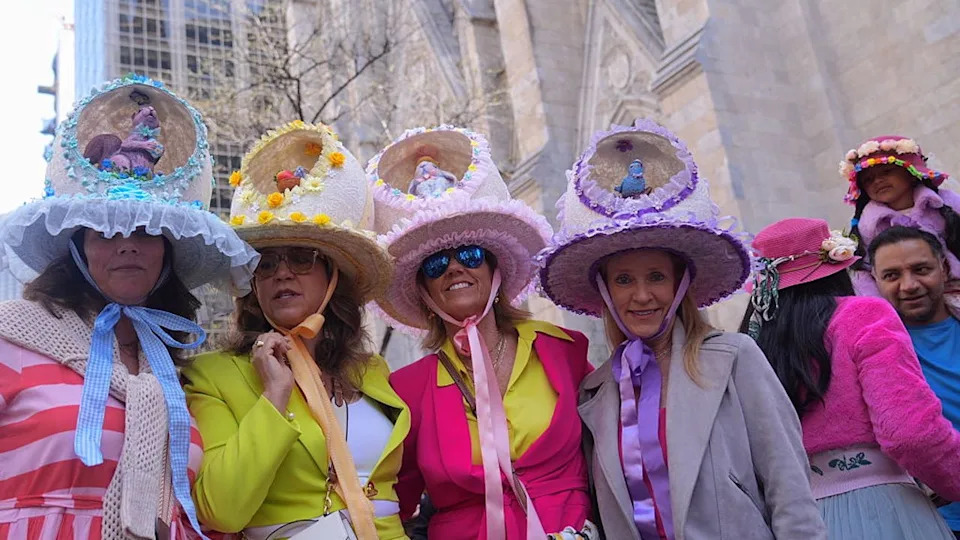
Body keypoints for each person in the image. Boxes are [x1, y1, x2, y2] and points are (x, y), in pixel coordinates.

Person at [538, 119, 825, 540]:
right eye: (623, 280)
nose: (641, 296)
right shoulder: (596, 392)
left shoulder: (734, 358)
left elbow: (789, 488)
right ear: (604, 291)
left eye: (656, 276)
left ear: (679, 284)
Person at [0, 74, 259, 538]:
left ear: (166, 252)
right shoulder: (10, 337)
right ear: (77, 248)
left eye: (144, 231)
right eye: (106, 231)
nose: (128, 245)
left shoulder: (172, 373)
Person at [181, 121, 408, 540]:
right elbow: (221, 511)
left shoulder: (372, 369)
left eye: (302, 258)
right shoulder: (209, 375)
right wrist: (273, 395)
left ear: (332, 276)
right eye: (266, 264)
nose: (282, 273)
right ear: (252, 286)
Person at [367, 126, 594, 539]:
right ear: (423, 289)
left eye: (470, 256)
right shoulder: (407, 389)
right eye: (436, 265)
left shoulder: (562, 351)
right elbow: (391, 504)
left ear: (494, 269)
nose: (455, 268)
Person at [744, 217, 960, 538]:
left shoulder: (750, 344)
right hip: (883, 511)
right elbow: (911, 435)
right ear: (837, 264)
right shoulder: (864, 316)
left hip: (791, 521)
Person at [869, 225, 960, 537]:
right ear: (875, 281)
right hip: (937, 520)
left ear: (944, 268)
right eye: (892, 276)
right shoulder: (870, 350)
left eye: (921, 270)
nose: (908, 285)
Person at [838, 135, 960, 313]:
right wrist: (884, 310)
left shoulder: (946, 201)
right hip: (908, 305)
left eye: (886, 172)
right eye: (868, 180)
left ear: (911, 173)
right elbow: (863, 271)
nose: (878, 181)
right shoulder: (867, 224)